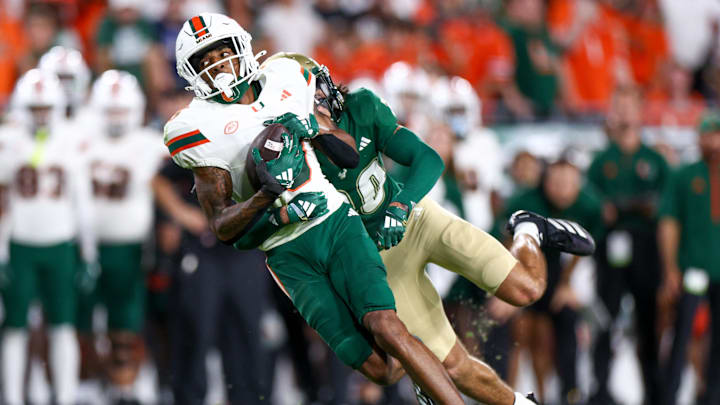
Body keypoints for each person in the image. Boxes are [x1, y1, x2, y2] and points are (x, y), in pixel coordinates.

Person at [238, 52, 597, 405]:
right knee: (452, 367)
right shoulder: (282, 153)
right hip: (375, 260)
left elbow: (427, 157)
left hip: (418, 220)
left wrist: (401, 204)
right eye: (299, 96)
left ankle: (528, 230)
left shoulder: (361, 107)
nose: (315, 101)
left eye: (312, 89)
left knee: (526, 289)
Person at [163, 13, 463, 403]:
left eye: (222, 52)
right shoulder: (197, 128)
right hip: (287, 252)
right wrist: (266, 196)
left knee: (385, 326)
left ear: (243, 48)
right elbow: (221, 224)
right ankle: (418, 350)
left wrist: (313, 129)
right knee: (380, 369)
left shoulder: (286, 77)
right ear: (191, 73)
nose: (217, 65)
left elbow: (349, 154)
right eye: (204, 60)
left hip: (334, 222)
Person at [0, 69, 96, 405]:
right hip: (20, 243)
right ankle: (12, 397)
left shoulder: (71, 138)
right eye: (34, 108)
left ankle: (65, 396)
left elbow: (82, 201)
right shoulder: (8, 139)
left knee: (63, 324)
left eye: (45, 108)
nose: (41, 115)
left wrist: (88, 252)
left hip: (60, 243)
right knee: (13, 327)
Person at [77, 70, 167, 404]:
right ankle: (88, 382)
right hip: (87, 244)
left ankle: (128, 384)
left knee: (127, 321)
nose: (116, 118)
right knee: (84, 318)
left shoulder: (148, 142)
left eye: (121, 111)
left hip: (132, 245)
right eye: (110, 111)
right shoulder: (82, 139)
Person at [587, 85, 670, 405]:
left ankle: (654, 392)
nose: (623, 112)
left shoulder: (655, 160)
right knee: (604, 319)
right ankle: (600, 390)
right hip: (609, 247)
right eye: (617, 105)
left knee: (649, 321)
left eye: (629, 105)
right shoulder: (601, 161)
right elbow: (594, 206)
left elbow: (663, 209)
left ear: (640, 110)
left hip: (647, 248)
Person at [500, 157, 604, 405]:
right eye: (556, 182)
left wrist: (570, 285)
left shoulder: (590, 206)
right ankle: (505, 395)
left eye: (568, 182)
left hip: (562, 278)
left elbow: (594, 250)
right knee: (517, 331)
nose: (562, 188)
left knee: (566, 327)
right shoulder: (524, 202)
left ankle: (570, 393)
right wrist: (503, 287)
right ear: (545, 181)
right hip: (523, 273)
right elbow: (504, 242)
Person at [658, 111, 720, 405]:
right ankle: (669, 395)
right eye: (709, 134)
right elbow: (669, 222)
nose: (715, 141)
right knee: (681, 334)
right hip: (692, 267)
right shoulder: (684, 175)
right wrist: (670, 267)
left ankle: (711, 395)